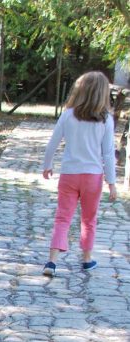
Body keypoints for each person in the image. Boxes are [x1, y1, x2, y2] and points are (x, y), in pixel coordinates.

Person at [42, 71, 117, 277]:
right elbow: (108, 154)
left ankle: (52, 261)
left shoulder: (68, 115)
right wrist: (112, 182)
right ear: (103, 94)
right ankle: (86, 259)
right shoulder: (105, 120)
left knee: (62, 217)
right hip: (93, 177)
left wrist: (47, 165)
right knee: (89, 219)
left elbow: (52, 144)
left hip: (69, 174)